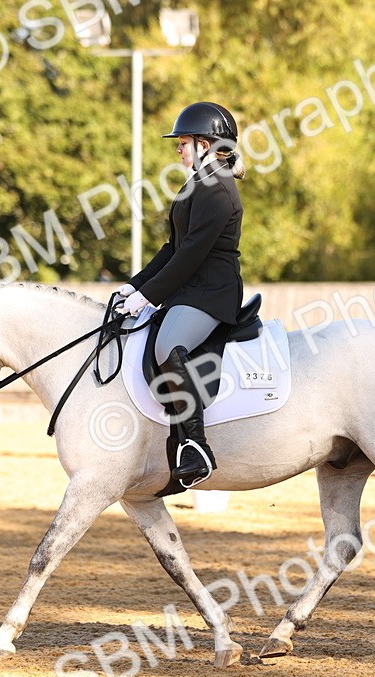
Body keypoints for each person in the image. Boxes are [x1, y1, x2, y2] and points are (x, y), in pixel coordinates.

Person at [116, 101, 246, 487]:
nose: (178, 148)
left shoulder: (218, 190)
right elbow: (173, 247)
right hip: (192, 287)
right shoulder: (197, 183)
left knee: (166, 346)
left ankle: (195, 444)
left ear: (206, 144)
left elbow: (192, 254)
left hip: (212, 291)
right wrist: (135, 284)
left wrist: (150, 296)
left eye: (184, 142)